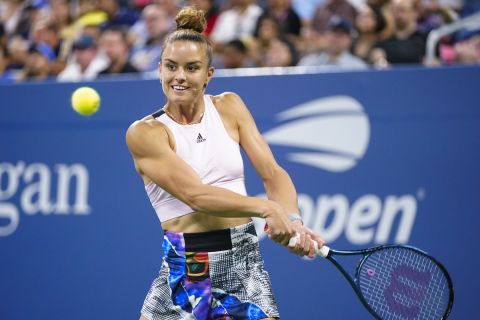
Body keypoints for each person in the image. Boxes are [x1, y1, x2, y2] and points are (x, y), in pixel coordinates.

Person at [125, 6, 324, 320]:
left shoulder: (230, 107)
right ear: (160, 69)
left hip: (243, 260)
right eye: (170, 66)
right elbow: (196, 196)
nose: (179, 76)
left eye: (191, 68)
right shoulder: (145, 133)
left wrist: (293, 220)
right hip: (185, 263)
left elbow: (272, 173)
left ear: (208, 74)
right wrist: (268, 209)